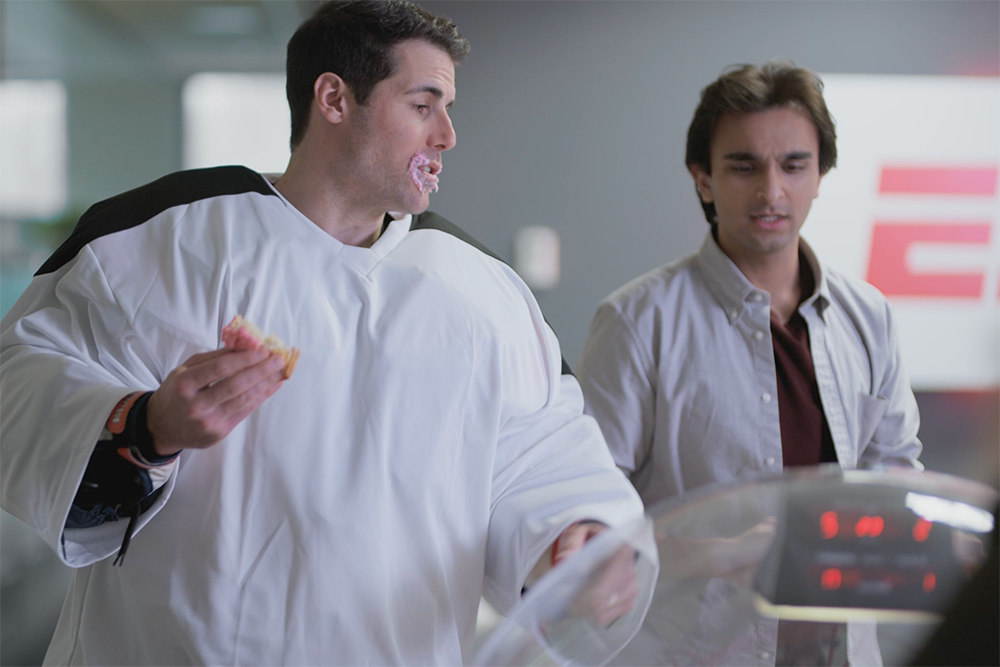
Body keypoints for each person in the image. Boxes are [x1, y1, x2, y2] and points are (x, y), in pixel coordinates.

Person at [0, 2, 647, 665]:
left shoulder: (485, 293)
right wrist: (146, 425)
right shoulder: (156, 241)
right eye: (423, 106)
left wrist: (573, 538)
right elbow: (17, 382)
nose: (448, 135)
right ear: (334, 98)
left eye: (448, 109)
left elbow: (542, 459)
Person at [576, 60, 923, 665]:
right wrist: (714, 553)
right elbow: (590, 519)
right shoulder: (637, 321)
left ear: (820, 176)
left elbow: (895, 481)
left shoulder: (869, 317)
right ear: (703, 180)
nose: (771, 191)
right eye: (744, 166)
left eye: (794, 165)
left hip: (843, 651)